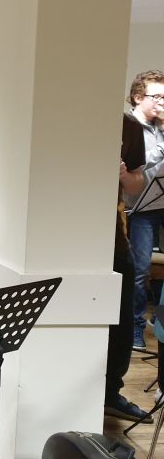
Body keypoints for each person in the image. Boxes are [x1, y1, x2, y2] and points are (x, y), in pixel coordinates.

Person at [104, 97, 153, 422]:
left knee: (120, 319)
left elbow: (136, 183)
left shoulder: (129, 126)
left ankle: (110, 392)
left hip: (112, 234)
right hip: (62, 230)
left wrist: (122, 175)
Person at [122, 70, 164, 352]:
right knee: (140, 271)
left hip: (161, 202)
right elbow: (135, 165)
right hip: (140, 207)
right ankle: (135, 329)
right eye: (156, 96)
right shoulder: (130, 127)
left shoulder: (161, 127)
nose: (162, 102)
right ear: (138, 97)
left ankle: (159, 325)